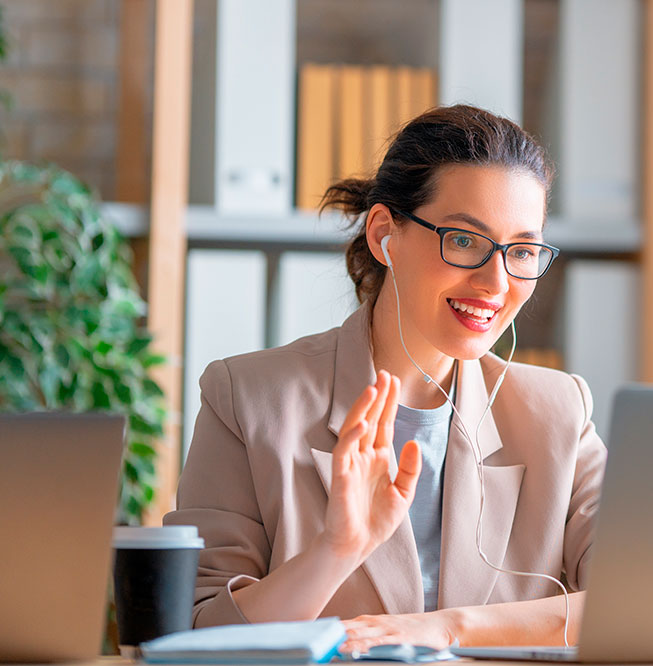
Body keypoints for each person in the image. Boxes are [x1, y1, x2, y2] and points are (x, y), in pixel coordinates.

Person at [165, 105, 606, 653]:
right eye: (464, 240)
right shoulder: (248, 398)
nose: (496, 283)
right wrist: (335, 550)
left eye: (521, 251)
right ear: (383, 235)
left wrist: (449, 628)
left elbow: (640, 600)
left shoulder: (559, 411)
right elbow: (198, 636)